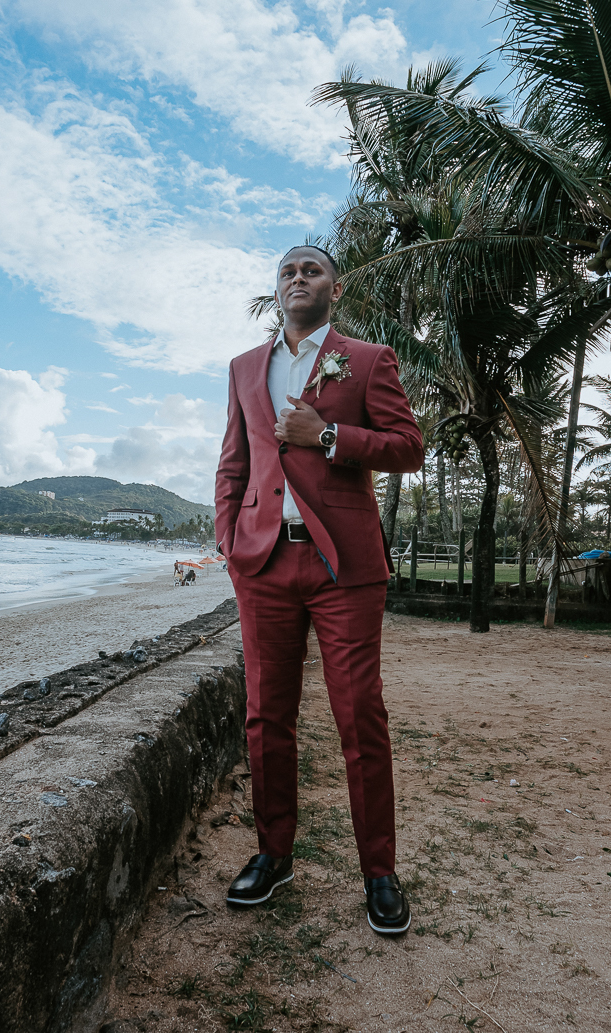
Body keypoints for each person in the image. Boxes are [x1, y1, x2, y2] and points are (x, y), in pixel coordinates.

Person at [215, 245, 424, 933]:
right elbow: (233, 464)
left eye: (311, 270)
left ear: (335, 286)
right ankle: (274, 854)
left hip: (345, 570)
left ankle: (379, 872)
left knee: (360, 716)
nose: (297, 278)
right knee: (264, 715)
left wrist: (330, 434)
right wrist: (230, 541)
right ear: (276, 289)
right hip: (264, 566)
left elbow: (407, 447)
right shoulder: (246, 368)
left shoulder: (367, 359)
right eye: (287, 271)